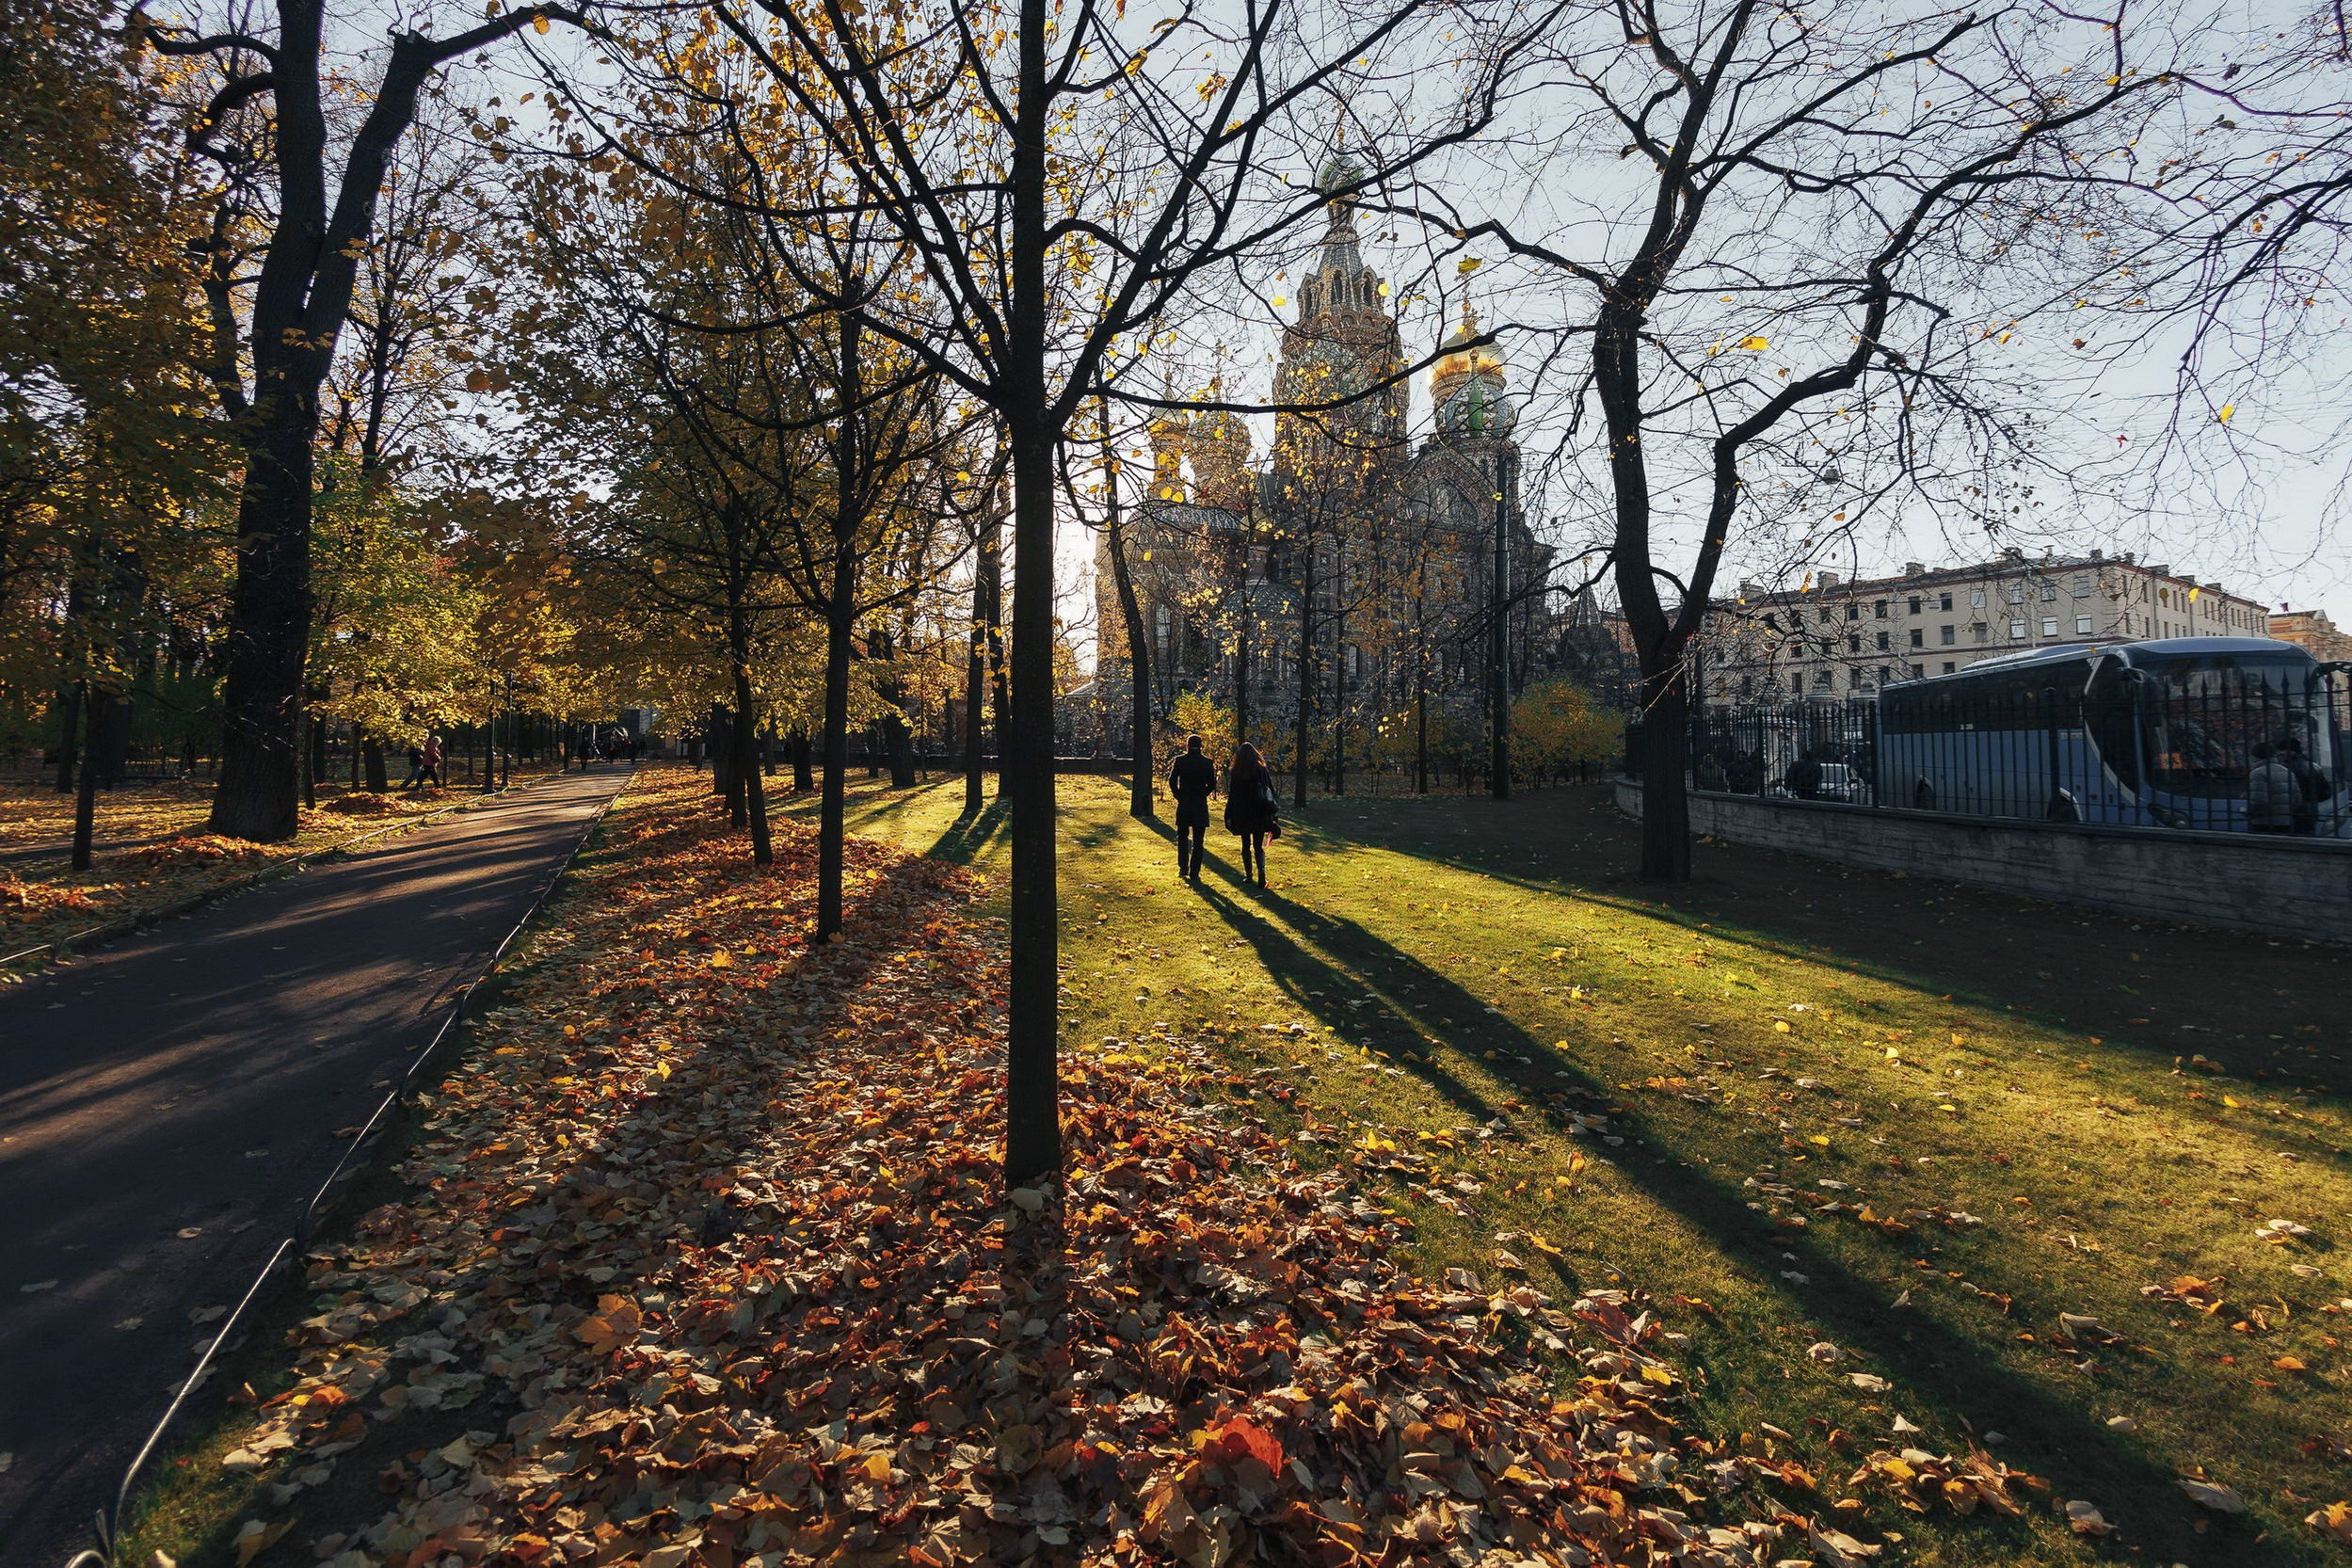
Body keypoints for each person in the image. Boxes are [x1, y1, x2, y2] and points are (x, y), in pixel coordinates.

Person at [1224, 742, 1281, 887]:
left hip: (1243, 813)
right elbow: (1270, 791)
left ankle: (1249, 875)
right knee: (1258, 846)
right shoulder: (1261, 770)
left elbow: (1233, 795)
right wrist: (1272, 812)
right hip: (1260, 811)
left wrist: (1229, 814)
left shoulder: (1236, 771)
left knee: (1245, 845)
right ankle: (1261, 873)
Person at [1166, 734, 1218, 882]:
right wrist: (1204, 794)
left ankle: (1183, 868)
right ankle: (1195, 871)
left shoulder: (1180, 761)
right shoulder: (1207, 762)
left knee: (1182, 837)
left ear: (1187, 745)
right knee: (1198, 840)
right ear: (1201, 746)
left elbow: (1172, 779)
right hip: (1199, 803)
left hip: (1184, 803)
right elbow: (1212, 783)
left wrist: (1178, 795)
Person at [2277, 733, 2329, 836]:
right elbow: (2325, 793)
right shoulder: (2314, 766)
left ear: (2289, 751)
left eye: (2282, 751)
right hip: (2311, 810)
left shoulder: (2287, 768)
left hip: (2295, 812)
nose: (2280, 754)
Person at [2246, 742, 2296, 835]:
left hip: (2264, 822)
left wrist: (2247, 811)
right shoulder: (2288, 772)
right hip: (2286, 821)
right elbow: (2297, 799)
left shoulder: (2258, 773)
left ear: (2255, 756)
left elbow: (2259, 802)